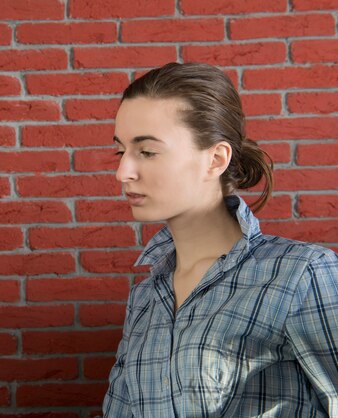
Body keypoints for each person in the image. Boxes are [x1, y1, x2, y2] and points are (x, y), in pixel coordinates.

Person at [102, 62, 338, 417]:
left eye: (147, 151)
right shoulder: (147, 297)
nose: (123, 172)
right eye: (121, 151)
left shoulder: (301, 275)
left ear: (215, 159)